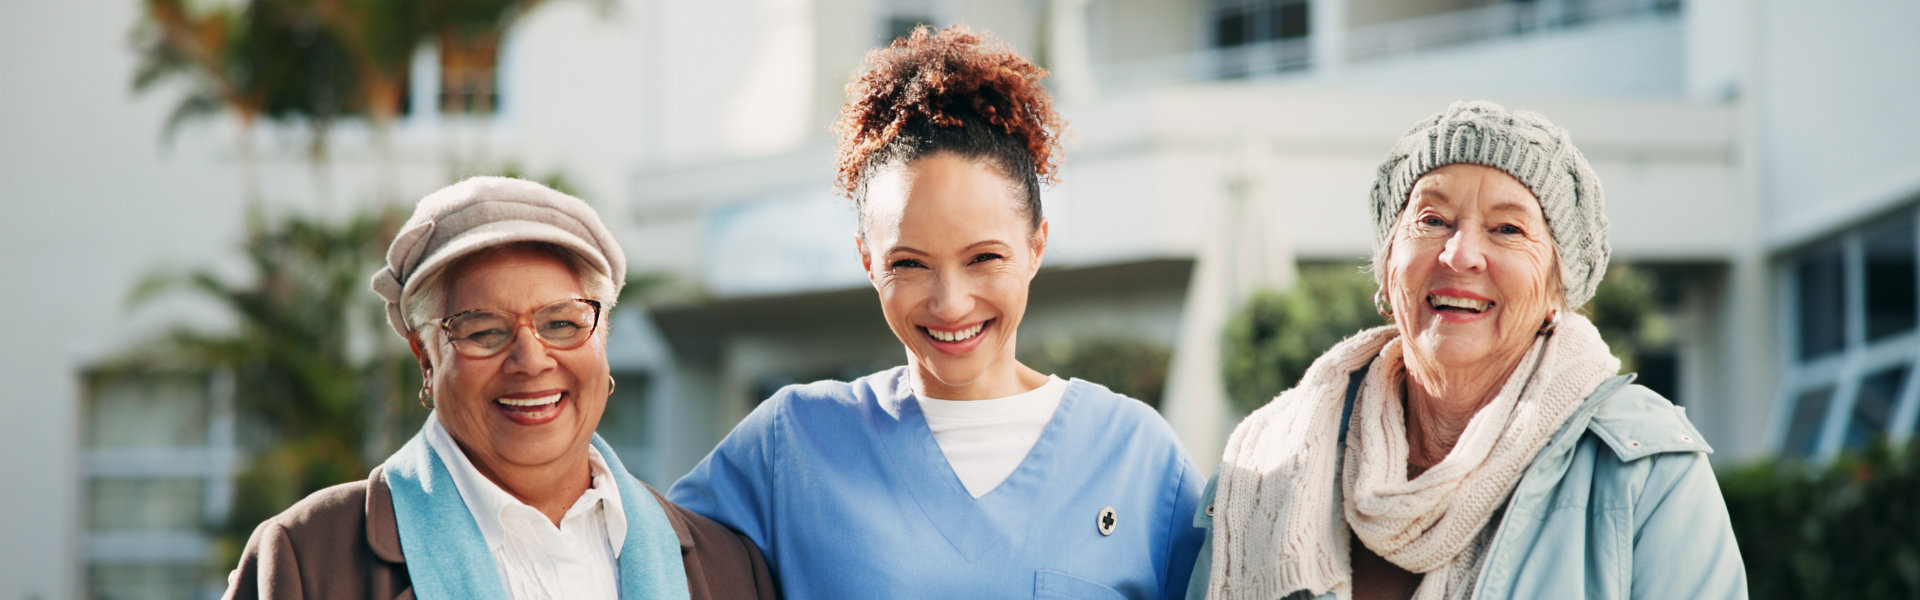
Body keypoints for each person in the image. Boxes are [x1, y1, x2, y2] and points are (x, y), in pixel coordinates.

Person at [668, 25, 1205, 599]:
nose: (950, 303)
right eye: (910, 264)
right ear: (868, 262)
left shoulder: (1135, 455)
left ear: (1036, 246)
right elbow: (624, 549)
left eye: (983, 258)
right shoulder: (793, 444)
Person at [1188, 102, 1747, 600]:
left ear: (1558, 290)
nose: (1461, 254)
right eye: (1432, 220)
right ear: (1387, 267)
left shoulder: (1645, 473)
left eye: (1507, 229)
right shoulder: (1262, 468)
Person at [222, 177, 777, 600]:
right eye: (483, 330)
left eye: (562, 323)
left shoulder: (726, 568)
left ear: (601, 336)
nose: (531, 360)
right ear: (426, 359)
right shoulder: (307, 558)